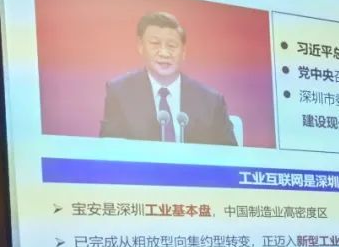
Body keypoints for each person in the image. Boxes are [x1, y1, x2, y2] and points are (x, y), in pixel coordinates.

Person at [99, 11, 237, 146]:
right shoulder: (121, 92)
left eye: (171, 46)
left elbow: (230, 154)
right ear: (141, 46)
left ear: (183, 52)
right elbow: (109, 150)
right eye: (155, 43)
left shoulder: (211, 101)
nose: (164, 53)